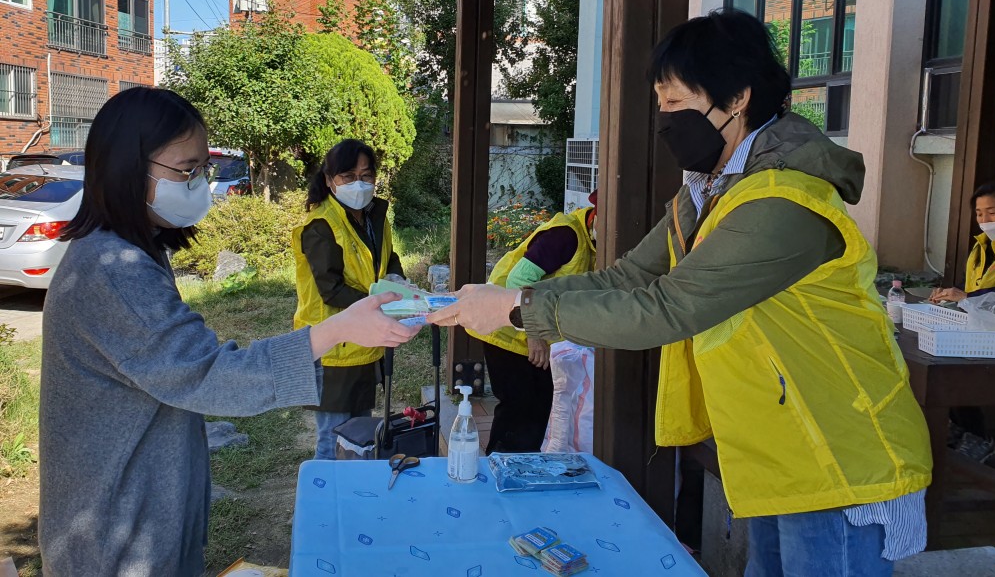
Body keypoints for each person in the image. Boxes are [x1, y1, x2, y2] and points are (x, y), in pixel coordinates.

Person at [428, 9, 933, 576]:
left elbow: (669, 307)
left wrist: (520, 309)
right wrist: (498, 298)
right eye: (659, 101)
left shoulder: (783, 204)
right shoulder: (704, 196)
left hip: (839, 453)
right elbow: (626, 279)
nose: (663, 117)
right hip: (777, 451)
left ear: (736, 98)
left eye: (675, 100)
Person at [38, 88, 420, 576]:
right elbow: (212, 375)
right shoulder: (113, 271)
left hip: (143, 511)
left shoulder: (135, 252)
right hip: (117, 535)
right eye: (187, 170)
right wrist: (340, 327)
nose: (199, 183)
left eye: (204, 169)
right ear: (128, 168)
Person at [293, 139, 405, 460]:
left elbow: (388, 258)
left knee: (359, 438)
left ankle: (354, 503)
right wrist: (380, 306)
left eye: (366, 175)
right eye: (348, 176)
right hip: (331, 349)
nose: (359, 183)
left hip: (365, 344)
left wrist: (397, 282)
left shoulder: (374, 216)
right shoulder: (320, 225)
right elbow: (331, 288)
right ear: (329, 180)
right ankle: (323, 505)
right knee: (332, 442)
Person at [467, 191, 598, 453]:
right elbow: (518, 280)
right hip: (508, 331)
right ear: (597, 213)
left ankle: (520, 476)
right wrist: (534, 335)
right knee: (519, 412)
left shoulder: (593, 244)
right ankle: (499, 472)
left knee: (537, 409)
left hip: (532, 334)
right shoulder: (566, 236)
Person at [930, 178, 995, 462]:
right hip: (983, 331)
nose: (985, 219)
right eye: (979, 213)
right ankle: (963, 430)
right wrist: (950, 295)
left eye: (992, 212)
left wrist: (967, 296)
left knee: (955, 372)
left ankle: (979, 437)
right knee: (945, 361)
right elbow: (970, 286)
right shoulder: (981, 246)